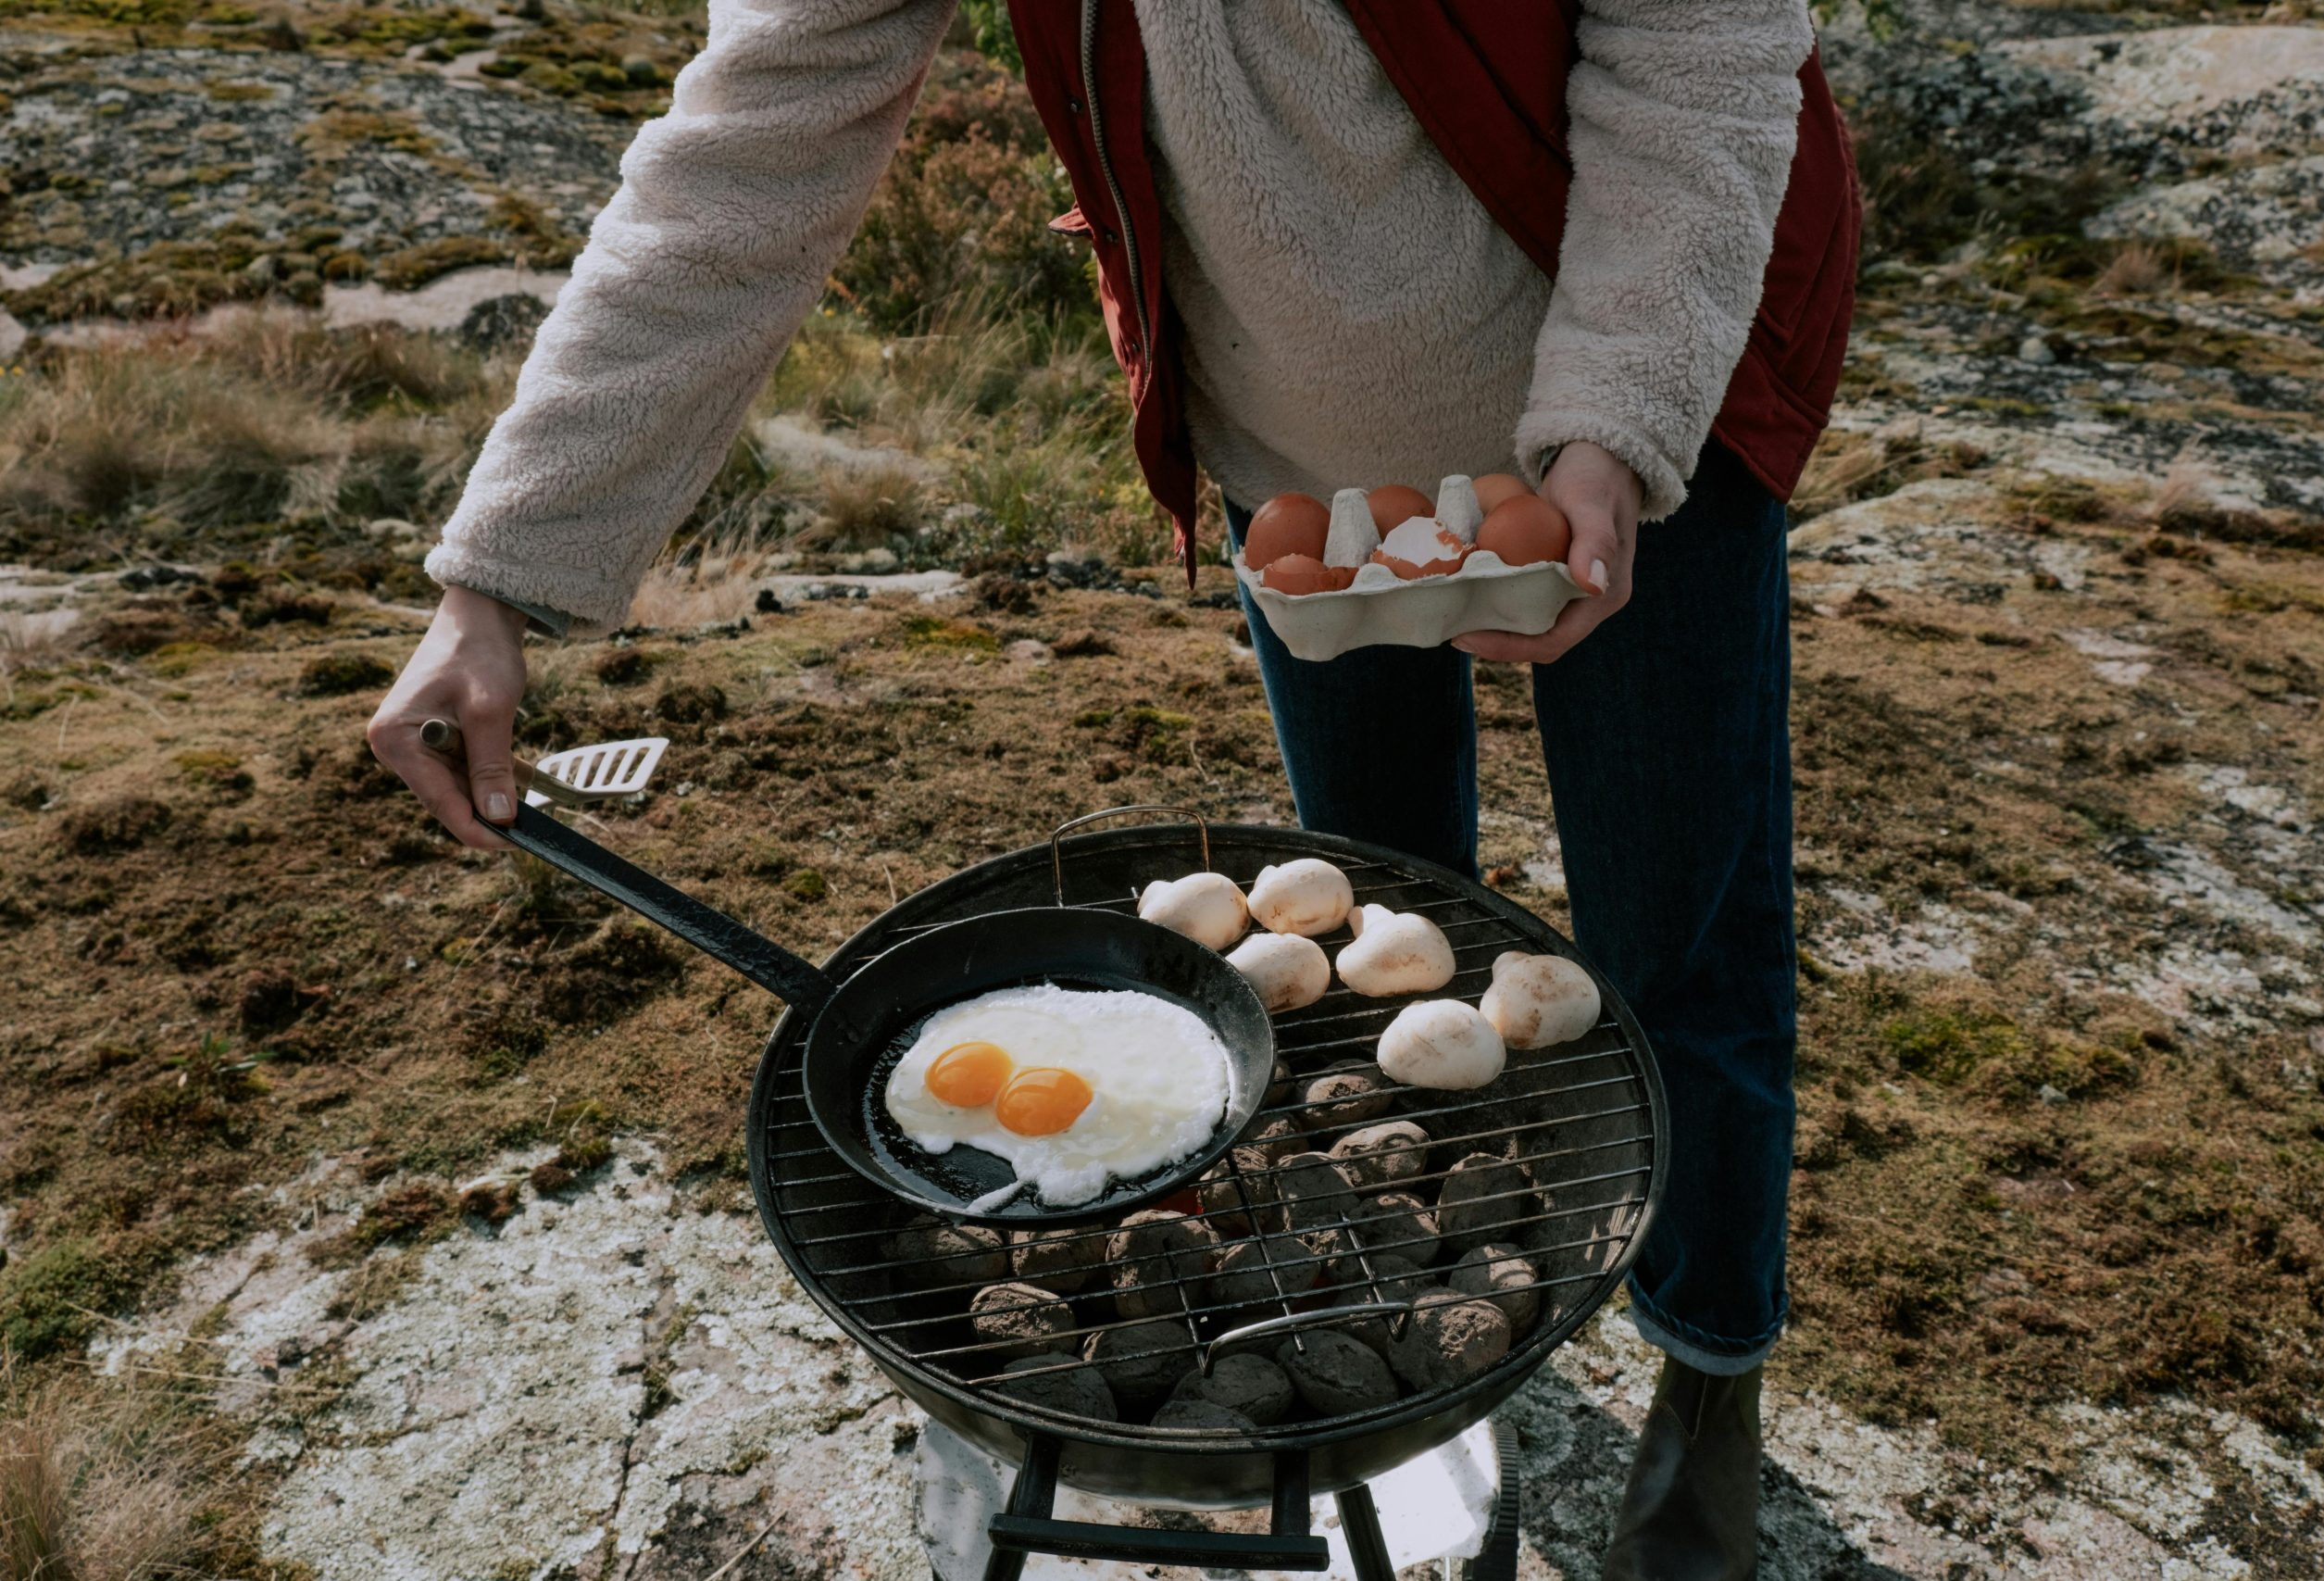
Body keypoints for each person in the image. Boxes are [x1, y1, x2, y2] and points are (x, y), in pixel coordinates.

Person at [369, 2, 1857, 1571]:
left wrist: (1616, 433)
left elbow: (1697, 44)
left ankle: (1710, 1368)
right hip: (1299, 464)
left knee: (1679, 936)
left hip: (1640, 401)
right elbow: (755, 132)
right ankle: (1419, 1300)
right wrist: (501, 576)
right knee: (1352, 918)